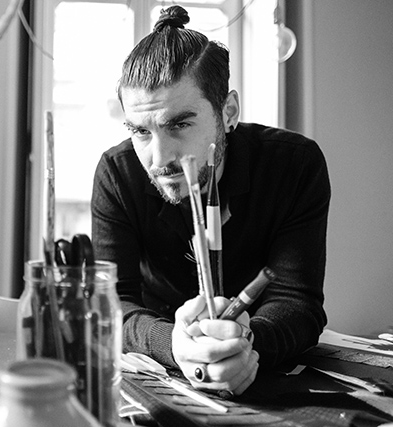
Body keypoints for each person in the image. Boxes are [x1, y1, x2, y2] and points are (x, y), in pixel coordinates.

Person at [91, 5, 330, 397]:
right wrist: (173, 343)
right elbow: (111, 303)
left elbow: (297, 300)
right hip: (156, 369)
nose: (159, 157)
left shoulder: (295, 165)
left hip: (263, 367)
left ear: (228, 112)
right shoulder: (117, 173)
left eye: (180, 124)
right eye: (141, 131)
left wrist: (245, 343)